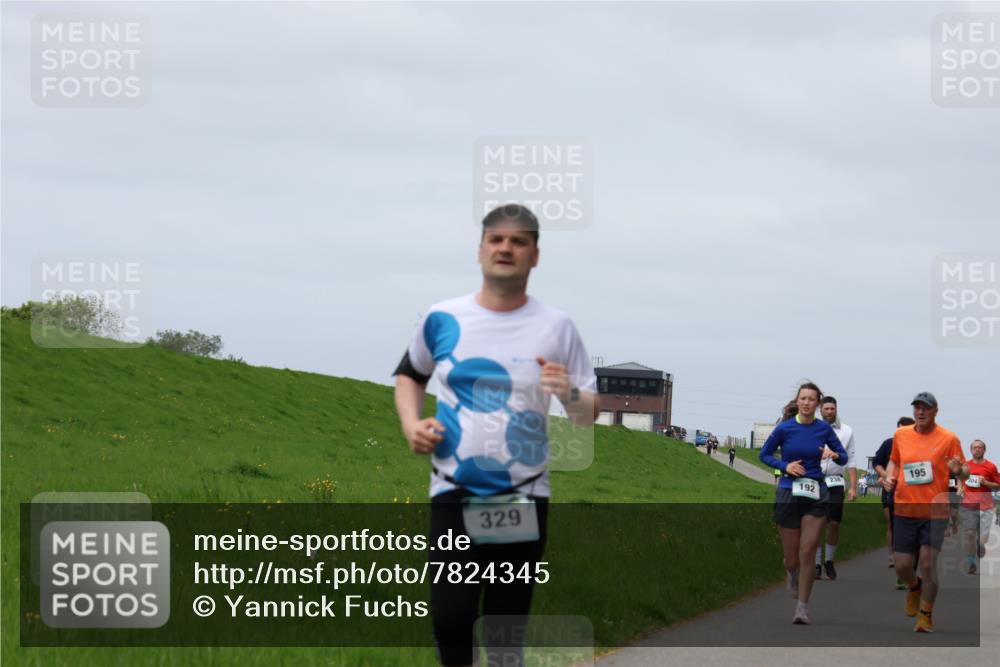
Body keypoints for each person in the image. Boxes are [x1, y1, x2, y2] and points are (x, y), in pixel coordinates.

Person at [393, 204, 599, 666]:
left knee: (505, 627)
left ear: (535, 256)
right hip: (452, 490)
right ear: (480, 249)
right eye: (497, 239)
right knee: (451, 619)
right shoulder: (442, 318)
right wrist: (411, 423)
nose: (506, 248)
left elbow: (588, 413)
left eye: (519, 241)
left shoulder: (557, 327)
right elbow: (410, 375)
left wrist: (567, 391)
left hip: (522, 496)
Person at [759, 381, 849, 625]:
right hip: (789, 491)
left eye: (812, 399)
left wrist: (833, 454)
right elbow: (764, 454)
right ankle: (791, 572)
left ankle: (802, 608)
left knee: (808, 551)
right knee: (792, 558)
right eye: (803, 398)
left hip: (815, 493)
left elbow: (843, 455)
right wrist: (785, 466)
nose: (807, 402)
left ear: (818, 404)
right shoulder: (785, 429)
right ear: (798, 402)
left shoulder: (823, 429)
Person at [882, 392, 969, 634]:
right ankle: (914, 586)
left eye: (925, 408)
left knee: (929, 564)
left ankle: (926, 614)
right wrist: (890, 476)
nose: (920, 412)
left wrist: (957, 469)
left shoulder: (949, 438)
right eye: (917, 408)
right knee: (902, 566)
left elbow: (965, 473)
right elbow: (895, 462)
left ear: (935, 411)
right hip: (905, 508)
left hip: (934, 511)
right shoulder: (901, 435)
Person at [814, 396, 856, 581]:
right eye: (826, 409)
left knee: (834, 522)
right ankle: (816, 563)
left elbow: (852, 459)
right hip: (815, 479)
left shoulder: (846, 431)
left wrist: (853, 486)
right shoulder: (812, 428)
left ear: (836, 409)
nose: (829, 412)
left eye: (832, 409)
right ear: (820, 410)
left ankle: (829, 561)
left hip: (836, 480)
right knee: (817, 522)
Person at [873, 416, 915, 587]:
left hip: (913, 494)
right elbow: (877, 463)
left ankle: (907, 564)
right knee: (893, 524)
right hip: (891, 491)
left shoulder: (919, 445)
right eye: (899, 430)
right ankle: (896, 558)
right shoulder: (888, 444)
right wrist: (886, 477)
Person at [960, 439, 1000, 574]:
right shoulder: (965, 466)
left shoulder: (991, 467)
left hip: (986, 506)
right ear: (971, 450)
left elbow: (998, 485)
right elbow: (959, 478)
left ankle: (980, 545)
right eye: (974, 447)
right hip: (969, 505)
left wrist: (986, 483)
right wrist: (960, 488)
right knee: (970, 534)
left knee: (984, 537)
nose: (977, 450)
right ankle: (971, 562)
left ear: (984, 450)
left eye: (980, 447)